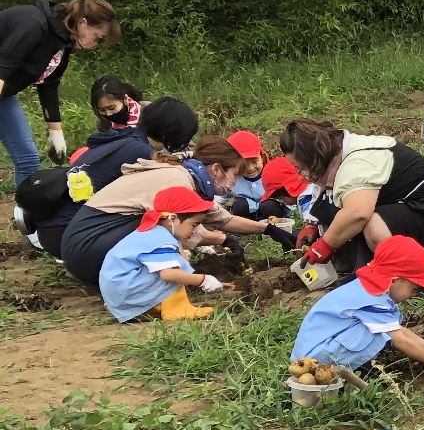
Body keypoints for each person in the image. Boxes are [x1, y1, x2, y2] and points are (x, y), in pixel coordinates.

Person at [60, 119, 276, 290]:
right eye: (234, 174)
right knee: (162, 227)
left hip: (85, 244)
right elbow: (179, 227)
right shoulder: (179, 182)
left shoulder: (186, 176)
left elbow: (222, 219)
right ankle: (149, 284)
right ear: (217, 169)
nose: (234, 183)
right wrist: (222, 239)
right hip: (89, 247)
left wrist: (268, 229)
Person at [282, 120, 424, 278]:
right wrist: (311, 224)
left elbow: (357, 214)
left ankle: (403, 278)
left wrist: (323, 246)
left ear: (314, 159)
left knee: (371, 222)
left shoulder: (358, 161)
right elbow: (324, 193)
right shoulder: (336, 153)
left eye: (303, 168)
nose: (302, 174)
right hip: (415, 208)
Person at [12, 92, 163, 257]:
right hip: (70, 239)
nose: (108, 114)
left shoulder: (108, 142)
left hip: (53, 235)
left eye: (111, 107)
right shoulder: (138, 149)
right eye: (103, 110)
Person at [0, 0, 118, 182]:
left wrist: (56, 133)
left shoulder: (62, 43)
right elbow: (2, 69)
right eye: (95, 37)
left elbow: (49, 84)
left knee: (28, 160)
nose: (93, 45)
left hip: (4, 96)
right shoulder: (32, 25)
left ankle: (25, 211)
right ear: (82, 23)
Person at [292, 235, 424, 371]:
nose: (414, 294)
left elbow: (397, 330)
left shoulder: (367, 289)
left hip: (313, 352)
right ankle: (348, 372)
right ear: (395, 280)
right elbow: (398, 338)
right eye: (414, 288)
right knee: (377, 332)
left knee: (382, 329)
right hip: (315, 362)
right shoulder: (373, 300)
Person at [98, 187, 231, 322]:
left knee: (176, 262)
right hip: (126, 291)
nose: (196, 231)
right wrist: (204, 280)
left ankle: (158, 308)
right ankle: (177, 310)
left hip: (122, 293)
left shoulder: (154, 233)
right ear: (172, 219)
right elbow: (168, 275)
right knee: (173, 269)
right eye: (194, 225)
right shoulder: (161, 239)